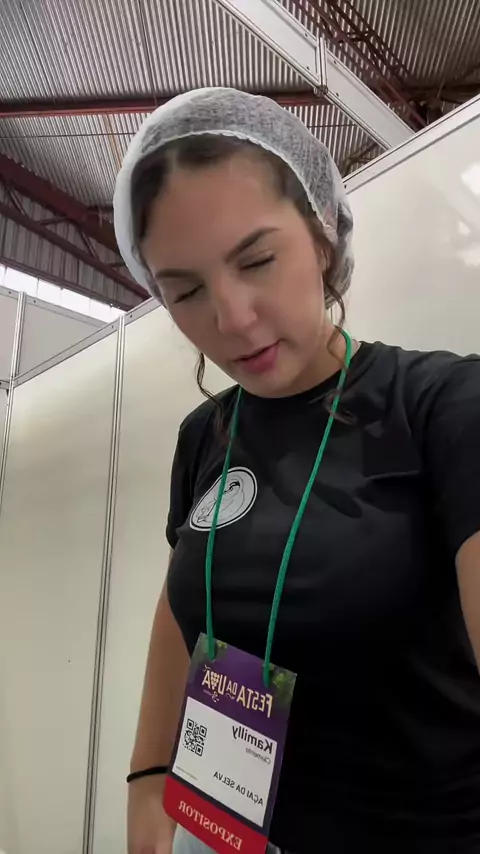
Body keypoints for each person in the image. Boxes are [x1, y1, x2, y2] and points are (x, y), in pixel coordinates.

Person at [113, 87, 480, 854]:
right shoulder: (206, 435)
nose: (232, 318)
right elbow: (183, 610)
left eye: (257, 260)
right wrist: (148, 784)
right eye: (185, 291)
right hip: (232, 832)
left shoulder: (445, 406)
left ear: (323, 237)